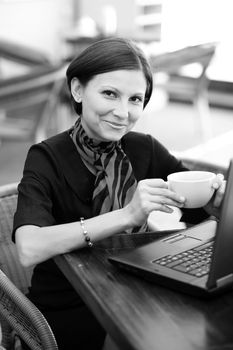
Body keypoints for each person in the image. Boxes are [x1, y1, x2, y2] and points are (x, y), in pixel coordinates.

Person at [13, 37, 225, 350]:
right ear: (78, 90)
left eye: (135, 99)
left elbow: (199, 212)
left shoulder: (144, 148)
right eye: (110, 94)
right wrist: (127, 215)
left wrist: (219, 202)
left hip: (137, 294)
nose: (123, 112)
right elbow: (29, 248)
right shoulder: (46, 157)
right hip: (69, 307)